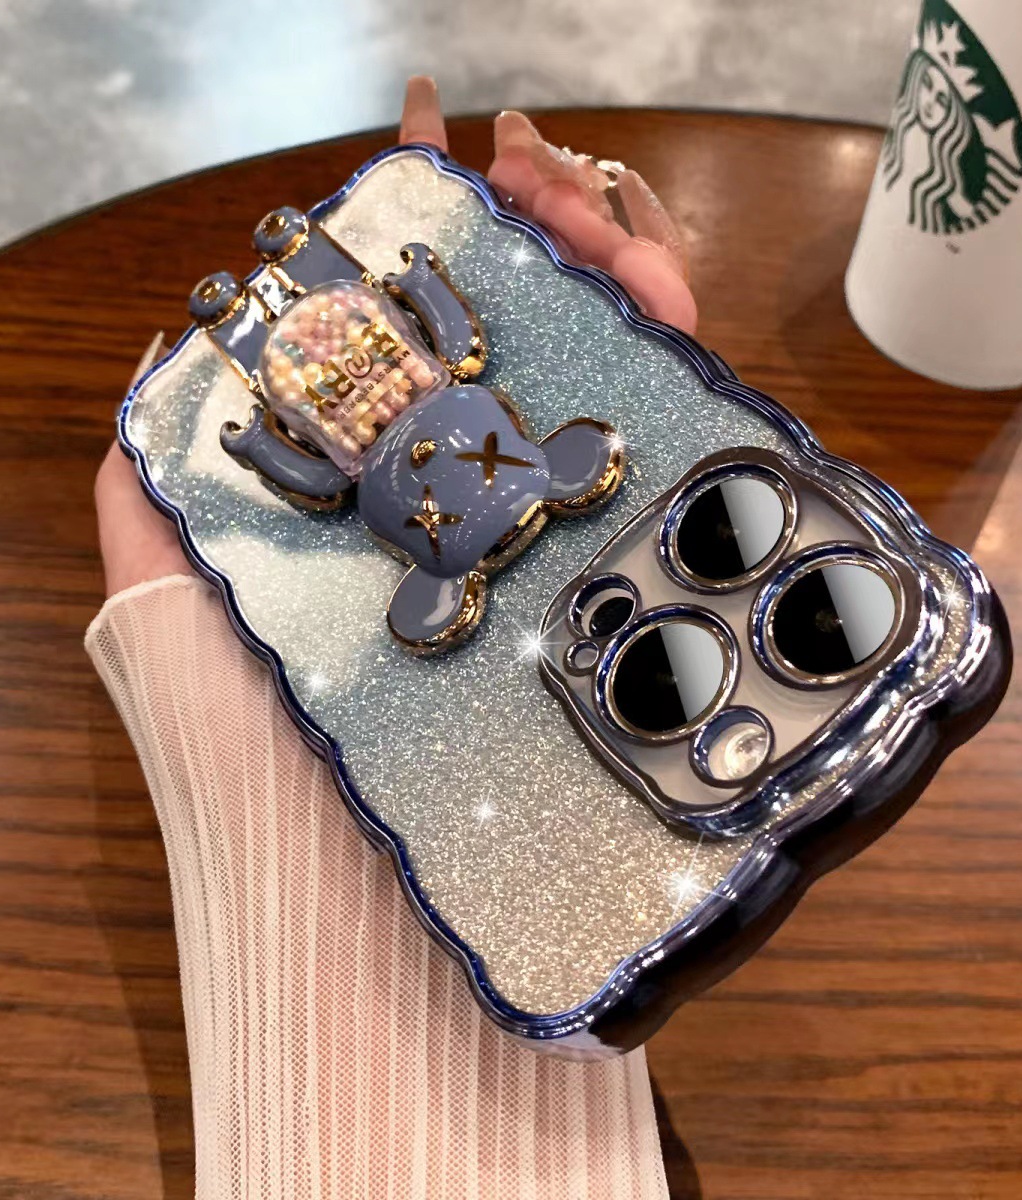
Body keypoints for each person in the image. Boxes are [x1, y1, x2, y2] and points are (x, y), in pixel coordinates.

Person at [89, 76, 695, 1199]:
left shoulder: (426, 451)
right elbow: (344, 440)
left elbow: (387, 398)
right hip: (392, 433)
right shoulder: (417, 446)